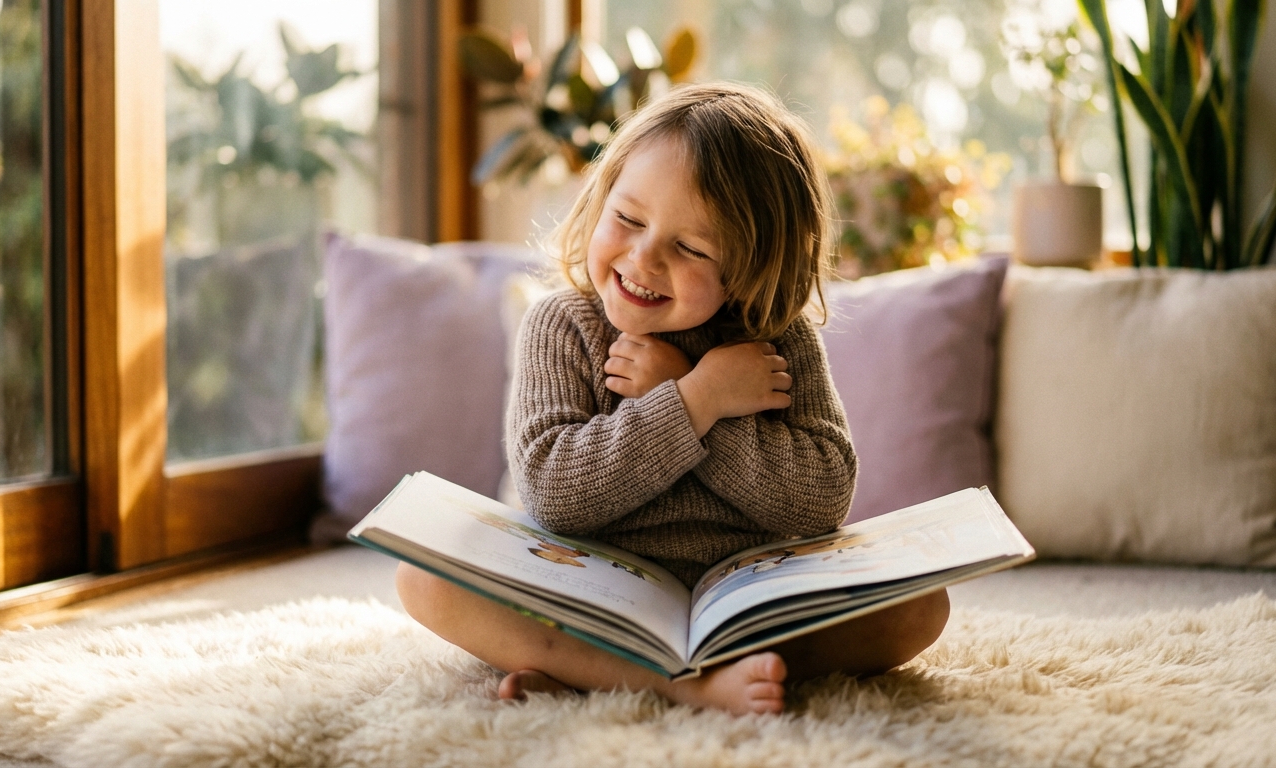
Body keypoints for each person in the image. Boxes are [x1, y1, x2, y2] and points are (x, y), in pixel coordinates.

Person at [395, 82, 950, 715]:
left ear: (752, 268)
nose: (643, 255)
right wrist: (689, 400)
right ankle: (679, 685)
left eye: (690, 248)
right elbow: (554, 491)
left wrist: (706, 405)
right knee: (426, 576)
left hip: (747, 600)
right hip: (589, 590)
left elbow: (822, 496)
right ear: (600, 201)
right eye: (628, 219)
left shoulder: (779, 339)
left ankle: (598, 677)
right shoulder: (561, 323)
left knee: (920, 608)